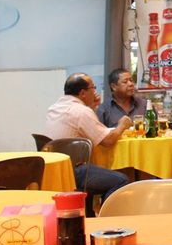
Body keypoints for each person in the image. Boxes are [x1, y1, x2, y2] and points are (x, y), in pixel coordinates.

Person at [42, 74, 133, 210]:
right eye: (93, 88)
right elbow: (107, 141)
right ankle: (106, 219)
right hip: (74, 170)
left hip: (54, 169)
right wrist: (122, 125)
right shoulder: (81, 111)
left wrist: (91, 107)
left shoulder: (55, 107)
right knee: (122, 180)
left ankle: (90, 215)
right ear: (83, 93)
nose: (95, 92)